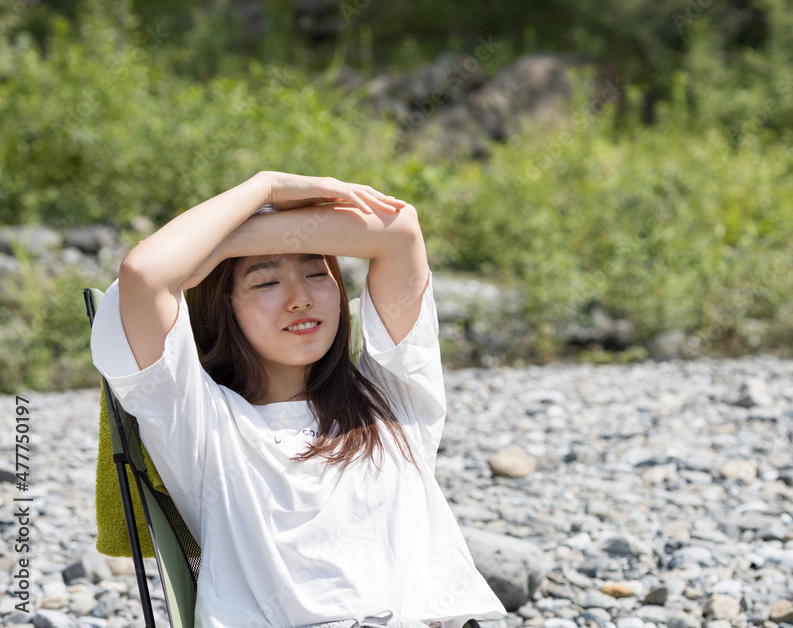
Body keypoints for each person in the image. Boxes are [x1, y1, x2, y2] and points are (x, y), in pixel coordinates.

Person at [90, 171, 507, 628]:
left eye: (315, 273)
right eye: (265, 283)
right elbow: (144, 274)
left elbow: (399, 230)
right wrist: (265, 187)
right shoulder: (201, 423)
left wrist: (233, 242)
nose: (300, 299)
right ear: (223, 309)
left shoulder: (391, 396)